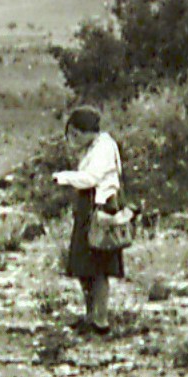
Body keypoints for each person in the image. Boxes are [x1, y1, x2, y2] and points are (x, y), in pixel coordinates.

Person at [54, 106, 125, 335]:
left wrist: (64, 178)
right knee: (85, 265)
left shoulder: (104, 147)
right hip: (90, 208)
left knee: (99, 266)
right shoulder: (95, 147)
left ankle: (100, 320)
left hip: (100, 208)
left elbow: (91, 178)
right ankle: (91, 316)